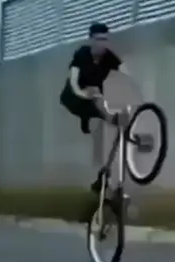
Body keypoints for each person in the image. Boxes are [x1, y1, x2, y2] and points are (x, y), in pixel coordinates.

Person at [60, 21, 131, 196]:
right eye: (99, 40)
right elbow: (74, 81)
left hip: (93, 101)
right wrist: (82, 94)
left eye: (105, 40)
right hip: (74, 98)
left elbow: (125, 72)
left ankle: (104, 175)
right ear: (91, 40)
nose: (102, 44)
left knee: (102, 101)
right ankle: (93, 117)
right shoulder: (82, 54)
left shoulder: (109, 57)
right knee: (95, 94)